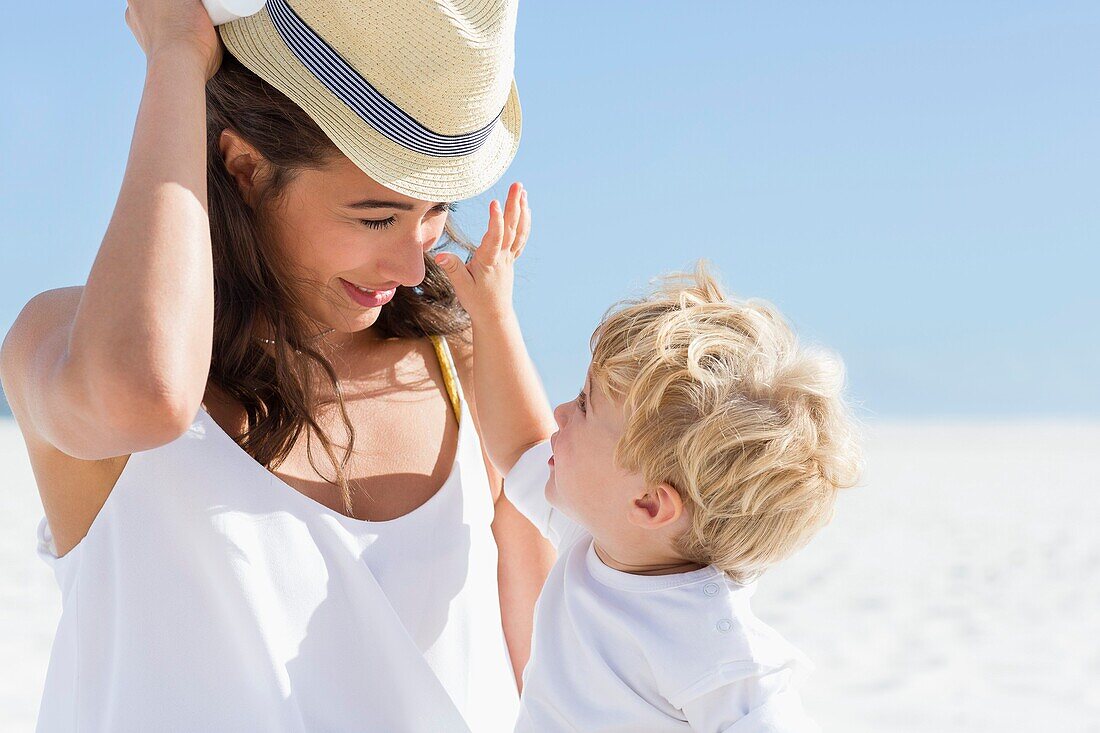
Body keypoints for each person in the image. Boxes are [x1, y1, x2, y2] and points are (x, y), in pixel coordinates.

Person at [0, 0, 552, 730]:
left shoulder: (465, 362)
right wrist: (174, 58)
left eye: (437, 208)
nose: (414, 262)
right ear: (245, 165)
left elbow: (555, 667)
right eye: (376, 216)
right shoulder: (70, 341)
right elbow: (148, 396)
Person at [435, 238, 863, 730]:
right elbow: (518, 446)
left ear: (649, 504)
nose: (559, 414)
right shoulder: (598, 535)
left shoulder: (717, 648)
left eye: (584, 406)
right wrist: (492, 314)